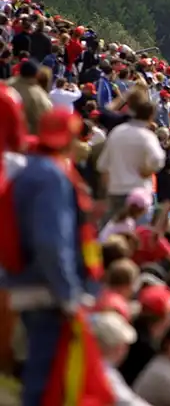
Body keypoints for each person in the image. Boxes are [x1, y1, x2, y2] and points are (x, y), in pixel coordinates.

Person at [3, 108, 105, 406]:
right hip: (46, 290)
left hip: (29, 282)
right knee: (46, 376)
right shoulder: (52, 176)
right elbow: (51, 242)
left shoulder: (32, 169)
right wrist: (68, 295)